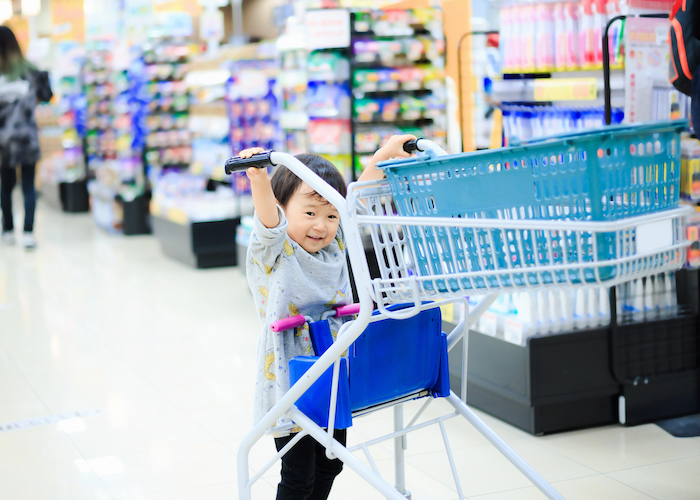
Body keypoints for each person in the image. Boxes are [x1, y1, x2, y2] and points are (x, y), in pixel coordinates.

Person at [240, 134, 416, 500]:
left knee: (332, 461)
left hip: (332, 368)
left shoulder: (334, 245)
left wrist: (383, 155)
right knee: (298, 474)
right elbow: (269, 221)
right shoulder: (274, 249)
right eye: (309, 213)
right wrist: (258, 177)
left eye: (329, 215)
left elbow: (352, 203)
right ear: (283, 208)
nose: (321, 225)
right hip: (292, 375)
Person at [0, 26, 51, 249]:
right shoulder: (30, 71)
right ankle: (28, 233)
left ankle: (8, 229)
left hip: (2, 139)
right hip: (27, 137)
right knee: (28, 186)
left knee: (6, 186)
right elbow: (47, 95)